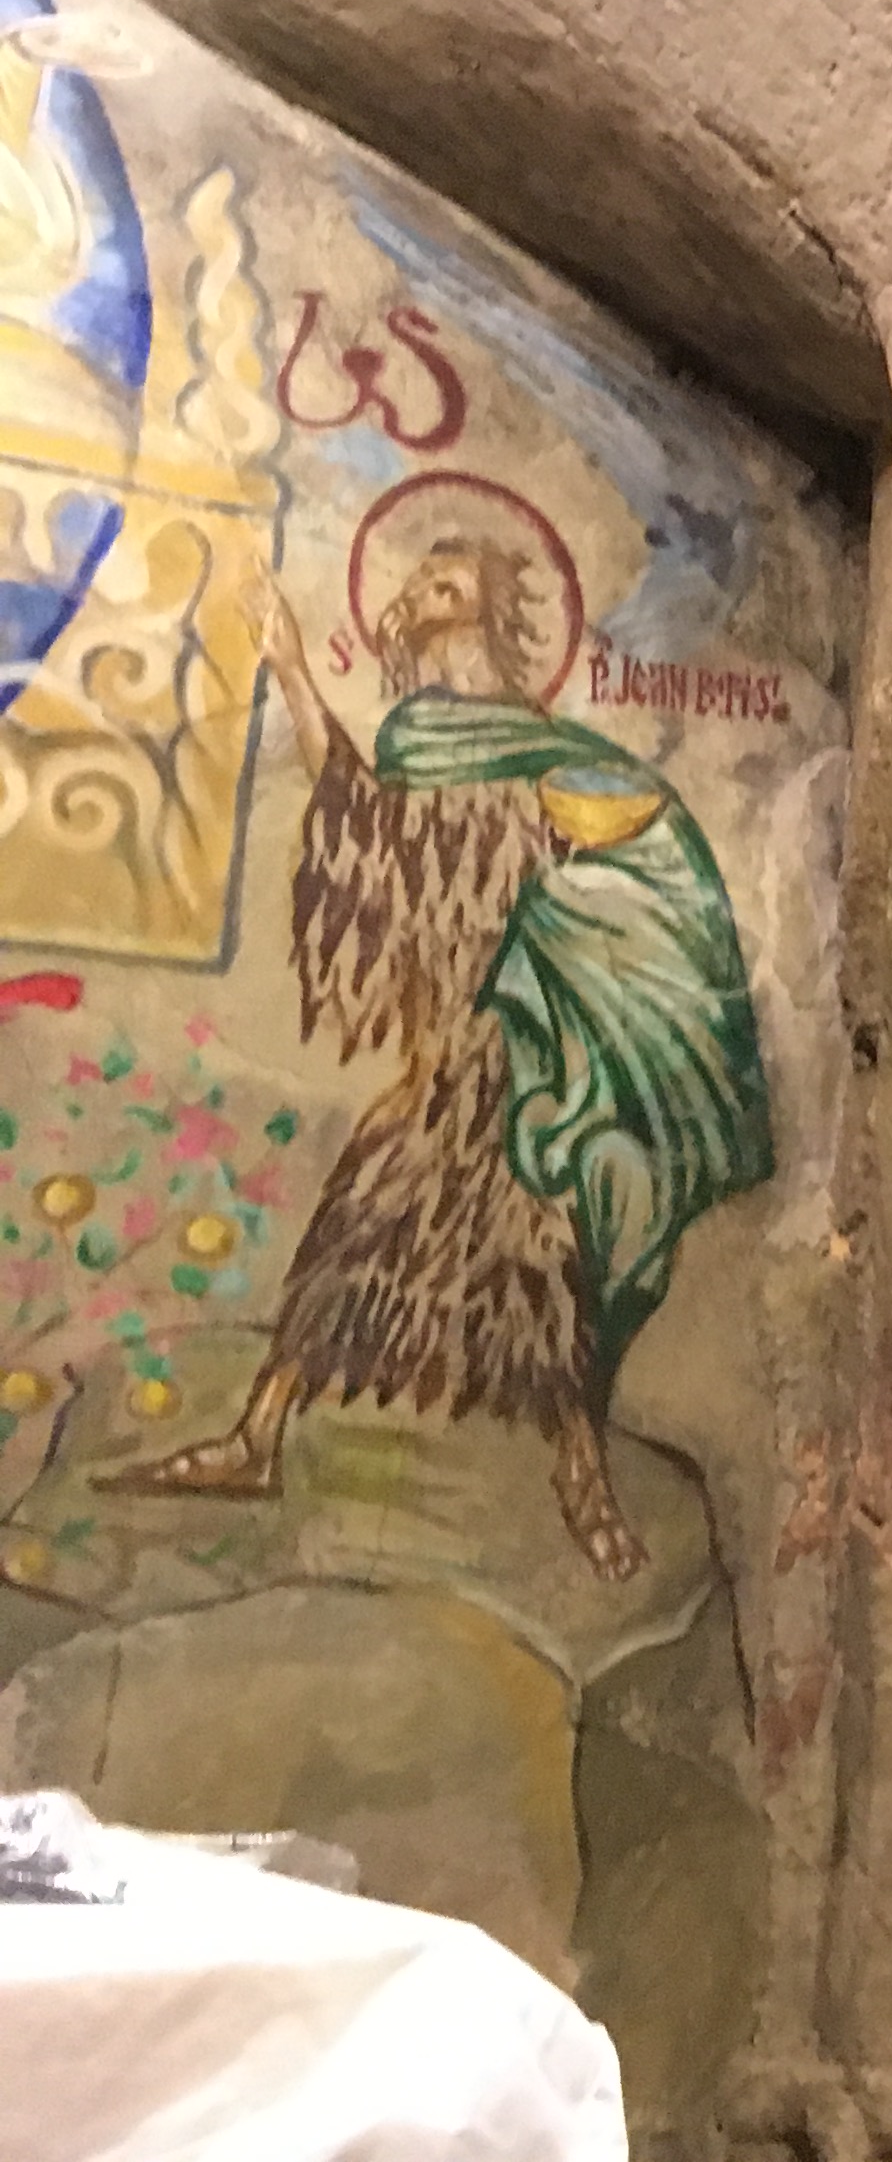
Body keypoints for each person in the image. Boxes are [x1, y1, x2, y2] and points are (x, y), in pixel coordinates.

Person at [119, 543, 773, 1578]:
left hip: (523, 1062)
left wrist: (594, 888)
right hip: (440, 1062)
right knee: (355, 1231)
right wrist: (290, 666)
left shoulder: (543, 751)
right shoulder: (419, 740)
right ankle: (258, 1437)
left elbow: (623, 857)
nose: (424, 600)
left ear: (490, 617)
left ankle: (582, 1476)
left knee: (546, 1270)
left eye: (450, 588)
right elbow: (366, 823)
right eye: (422, 584)